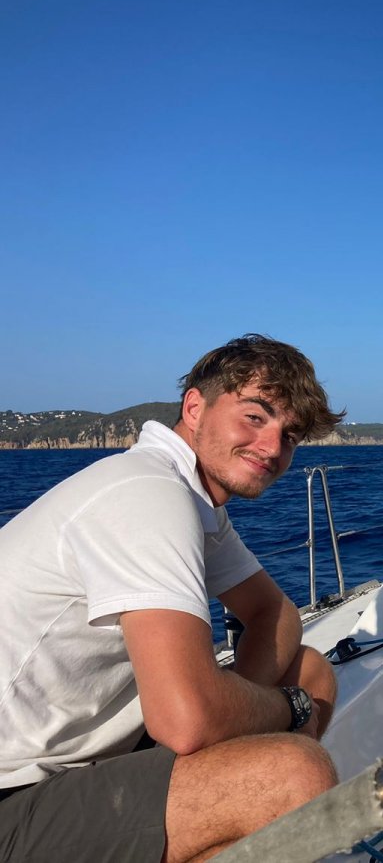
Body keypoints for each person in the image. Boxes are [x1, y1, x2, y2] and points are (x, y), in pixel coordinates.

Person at [0, 334, 347, 862]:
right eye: (256, 417)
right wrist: (285, 712)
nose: (274, 448)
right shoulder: (146, 493)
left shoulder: (190, 498)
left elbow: (273, 613)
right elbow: (185, 719)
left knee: (311, 671)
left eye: (290, 434)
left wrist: (239, 723)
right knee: (290, 774)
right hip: (14, 787)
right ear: (194, 406)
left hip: (79, 754)